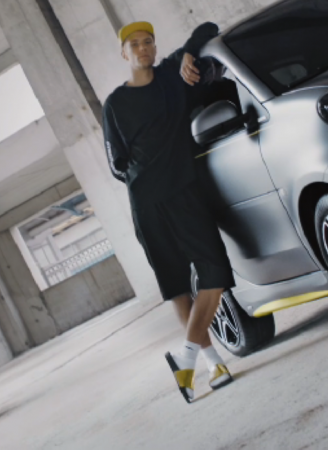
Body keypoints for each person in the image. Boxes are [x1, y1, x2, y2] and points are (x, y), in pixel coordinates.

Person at [102, 20, 237, 404]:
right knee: (178, 286)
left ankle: (185, 358)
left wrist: (190, 52)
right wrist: (146, 172)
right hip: (147, 203)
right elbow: (117, 163)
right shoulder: (115, 104)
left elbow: (208, 27)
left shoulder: (172, 76)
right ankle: (213, 364)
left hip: (185, 194)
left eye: (148, 41)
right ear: (124, 53)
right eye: (134, 44)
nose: (143, 48)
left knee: (215, 274)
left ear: (155, 47)